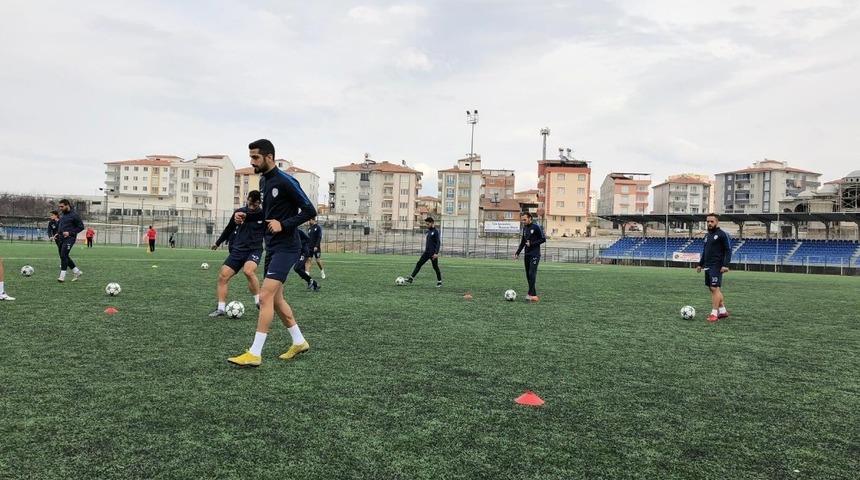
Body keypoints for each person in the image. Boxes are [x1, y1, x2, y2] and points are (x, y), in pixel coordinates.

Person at [227, 139, 316, 367]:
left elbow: (309, 210)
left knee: (265, 296)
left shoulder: (286, 181)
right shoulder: (265, 181)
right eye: (250, 157)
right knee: (276, 300)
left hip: (288, 247)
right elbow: (268, 214)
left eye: (255, 157)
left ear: (269, 157)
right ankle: (299, 341)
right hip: (273, 247)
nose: (251, 161)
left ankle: (255, 353)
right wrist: (247, 216)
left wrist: (284, 225)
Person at [209, 191, 266, 317]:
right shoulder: (239, 213)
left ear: (259, 203)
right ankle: (221, 309)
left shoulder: (263, 214)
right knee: (223, 276)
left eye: (255, 205)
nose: (251, 207)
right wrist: (218, 243)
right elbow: (229, 228)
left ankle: (258, 301)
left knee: (248, 271)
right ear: (247, 200)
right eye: (250, 203)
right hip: (238, 250)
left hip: (254, 249)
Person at [696, 213, 732, 322]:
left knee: (714, 288)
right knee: (713, 288)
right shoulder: (707, 236)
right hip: (708, 265)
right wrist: (700, 264)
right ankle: (723, 311)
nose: (709, 223)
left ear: (717, 222)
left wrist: (725, 265)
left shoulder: (722, 234)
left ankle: (714, 314)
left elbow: (728, 249)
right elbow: (705, 251)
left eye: (712, 221)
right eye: (708, 222)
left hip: (717, 265)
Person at [514, 212, 546, 302]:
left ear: (530, 218)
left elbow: (543, 239)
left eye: (525, 219)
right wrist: (517, 252)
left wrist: (531, 244)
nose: (523, 221)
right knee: (528, 275)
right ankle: (531, 294)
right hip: (527, 254)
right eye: (522, 220)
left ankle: (533, 295)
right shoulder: (524, 228)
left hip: (535, 254)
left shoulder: (536, 227)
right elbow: (523, 242)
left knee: (532, 273)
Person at [406, 217, 442, 287]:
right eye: (426, 224)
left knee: (435, 267)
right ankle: (411, 278)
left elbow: (438, 242)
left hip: (432, 254)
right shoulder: (429, 232)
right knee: (419, 264)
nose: (427, 225)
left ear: (432, 223)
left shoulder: (435, 232)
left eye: (428, 224)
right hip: (426, 253)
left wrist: (436, 253)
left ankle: (439, 282)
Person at [57, 199, 84, 282]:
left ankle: (62, 276)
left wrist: (70, 233)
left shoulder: (74, 215)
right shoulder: (63, 215)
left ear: (67, 205)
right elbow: (61, 226)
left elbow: (81, 227)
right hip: (61, 238)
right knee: (63, 256)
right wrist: (57, 233)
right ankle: (77, 271)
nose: (60, 208)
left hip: (70, 238)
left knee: (64, 254)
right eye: (59, 207)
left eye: (62, 206)